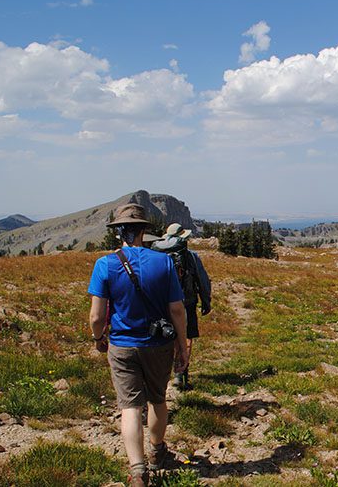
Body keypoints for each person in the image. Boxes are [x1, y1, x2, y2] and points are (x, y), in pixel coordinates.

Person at [87, 203, 189, 487]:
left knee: (130, 407)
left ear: (118, 232)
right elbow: (177, 310)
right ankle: (157, 452)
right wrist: (182, 346)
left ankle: (138, 471)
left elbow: (97, 316)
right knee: (157, 398)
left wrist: (98, 338)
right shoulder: (164, 262)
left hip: (122, 344)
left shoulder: (104, 265)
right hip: (159, 344)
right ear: (144, 231)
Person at [153, 222, 211, 390]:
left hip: (164, 303)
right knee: (186, 336)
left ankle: (162, 375)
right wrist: (206, 301)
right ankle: (180, 373)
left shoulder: (158, 255)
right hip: (188, 301)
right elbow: (203, 280)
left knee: (167, 337)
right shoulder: (191, 256)